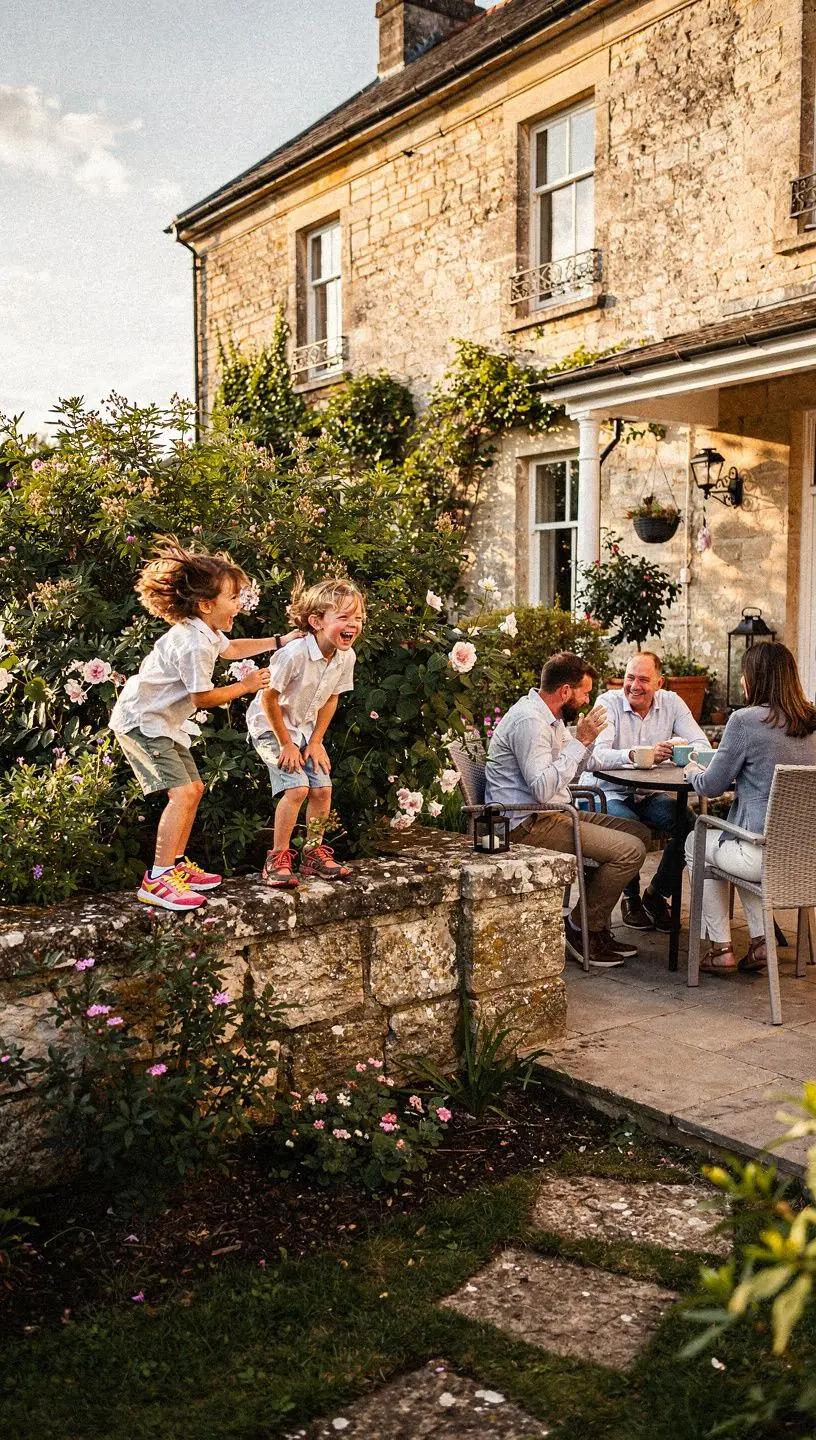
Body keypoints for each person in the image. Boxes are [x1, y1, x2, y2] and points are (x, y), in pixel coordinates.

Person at [110, 537, 299, 912]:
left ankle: (176, 865)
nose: (239, 604)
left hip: (162, 723)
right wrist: (244, 686)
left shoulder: (206, 632)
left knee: (194, 788)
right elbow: (201, 698)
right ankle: (158, 878)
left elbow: (232, 649)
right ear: (206, 604)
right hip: (142, 723)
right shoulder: (192, 643)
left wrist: (279, 640)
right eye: (233, 597)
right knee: (181, 794)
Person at [485, 651, 650, 967]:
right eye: (584, 692)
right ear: (565, 691)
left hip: (553, 812)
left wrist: (626, 756)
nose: (587, 699)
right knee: (629, 851)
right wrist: (580, 742)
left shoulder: (550, 717)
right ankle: (580, 928)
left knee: (638, 832)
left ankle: (591, 922)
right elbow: (542, 789)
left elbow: (581, 762)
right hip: (526, 823)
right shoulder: (531, 722)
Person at [684, 642, 816, 973]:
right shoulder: (812, 720)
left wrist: (692, 772)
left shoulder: (744, 721)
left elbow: (712, 786)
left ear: (754, 678)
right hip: (807, 858)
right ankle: (761, 943)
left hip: (760, 857)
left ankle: (721, 949)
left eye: (744, 673)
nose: (742, 680)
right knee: (748, 843)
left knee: (697, 841)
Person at [248, 575, 365, 888]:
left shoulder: (345, 657)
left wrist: (315, 742)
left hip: (304, 731)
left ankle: (312, 853)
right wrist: (286, 744)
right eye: (344, 617)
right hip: (270, 726)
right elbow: (268, 699)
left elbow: (332, 698)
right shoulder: (294, 654)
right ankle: (277, 858)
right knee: (297, 788)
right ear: (316, 621)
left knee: (322, 789)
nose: (353, 624)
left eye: (358, 618)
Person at [587, 651, 707, 932]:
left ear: (659, 683)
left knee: (692, 827)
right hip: (607, 792)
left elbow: (701, 744)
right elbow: (597, 755)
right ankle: (630, 898)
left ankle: (656, 894)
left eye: (643, 679)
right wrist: (637, 755)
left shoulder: (671, 702)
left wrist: (676, 748)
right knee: (629, 827)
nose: (634, 686)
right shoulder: (608, 702)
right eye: (629, 677)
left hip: (648, 793)